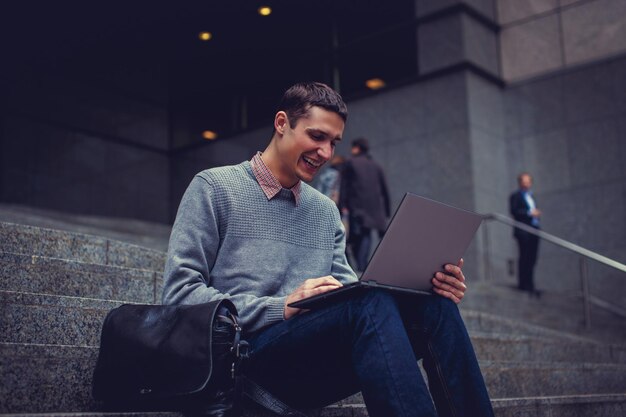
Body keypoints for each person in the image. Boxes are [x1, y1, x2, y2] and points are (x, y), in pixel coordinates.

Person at [163, 81, 494, 417]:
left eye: (334, 142)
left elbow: (352, 294)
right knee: (368, 304)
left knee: (434, 307)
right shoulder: (214, 187)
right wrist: (280, 307)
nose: (325, 153)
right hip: (243, 358)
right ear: (282, 124)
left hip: (311, 361)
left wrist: (425, 284)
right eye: (317, 136)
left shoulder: (325, 210)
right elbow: (179, 295)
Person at [339, 137, 390, 272]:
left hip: (357, 209)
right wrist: (387, 211)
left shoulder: (350, 163)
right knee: (364, 237)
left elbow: (344, 187)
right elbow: (385, 190)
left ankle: (361, 270)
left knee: (356, 239)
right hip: (374, 211)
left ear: (357, 148)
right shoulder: (376, 166)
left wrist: (340, 206)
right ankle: (362, 268)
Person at [509, 172, 542, 297]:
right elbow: (514, 211)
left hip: (534, 230)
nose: (526, 183)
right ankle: (523, 284)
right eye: (524, 181)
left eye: (528, 181)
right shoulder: (516, 196)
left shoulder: (532, 197)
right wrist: (530, 213)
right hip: (523, 231)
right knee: (524, 257)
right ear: (520, 182)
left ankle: (530, 284)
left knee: (532, 258)